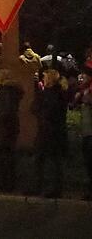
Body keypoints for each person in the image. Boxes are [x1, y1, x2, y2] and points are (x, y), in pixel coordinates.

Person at [32, 69, 69, 198]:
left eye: (45, 77)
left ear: (50, 80)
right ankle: (44, 187)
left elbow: (44, 110)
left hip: (51, 131)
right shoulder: (54, 93)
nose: (43, 79)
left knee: (51, 161)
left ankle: (51, 188)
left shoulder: (53, 94)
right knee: (45, 160)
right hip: (49, 131)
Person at [0, 69, 22, 192]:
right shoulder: (12, 91)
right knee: (8, 155)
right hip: (10, 127)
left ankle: (4, 183)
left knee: (3, 155)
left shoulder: (6, 92)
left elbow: (5, 110)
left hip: (4, 128)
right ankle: (8, 182)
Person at [74, 66, 92, 200]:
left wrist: (87, 99)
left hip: (90, 132)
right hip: (86, 131)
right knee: (88, 162)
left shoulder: (89, 91)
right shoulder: (83, 90)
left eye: (84, 75)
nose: (82, 77)